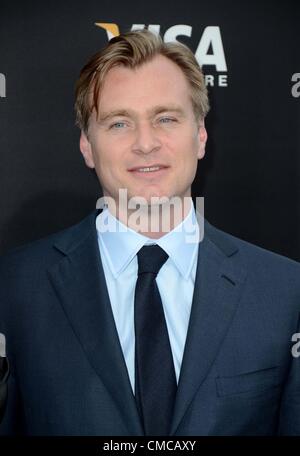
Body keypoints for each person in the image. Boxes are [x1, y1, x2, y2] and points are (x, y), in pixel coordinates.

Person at [0, 29, 299, 436]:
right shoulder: (14, 288)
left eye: (166, 118)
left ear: (201, 136)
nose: (145, 143)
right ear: (87, 145)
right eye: (119, 123)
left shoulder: (285, 292)